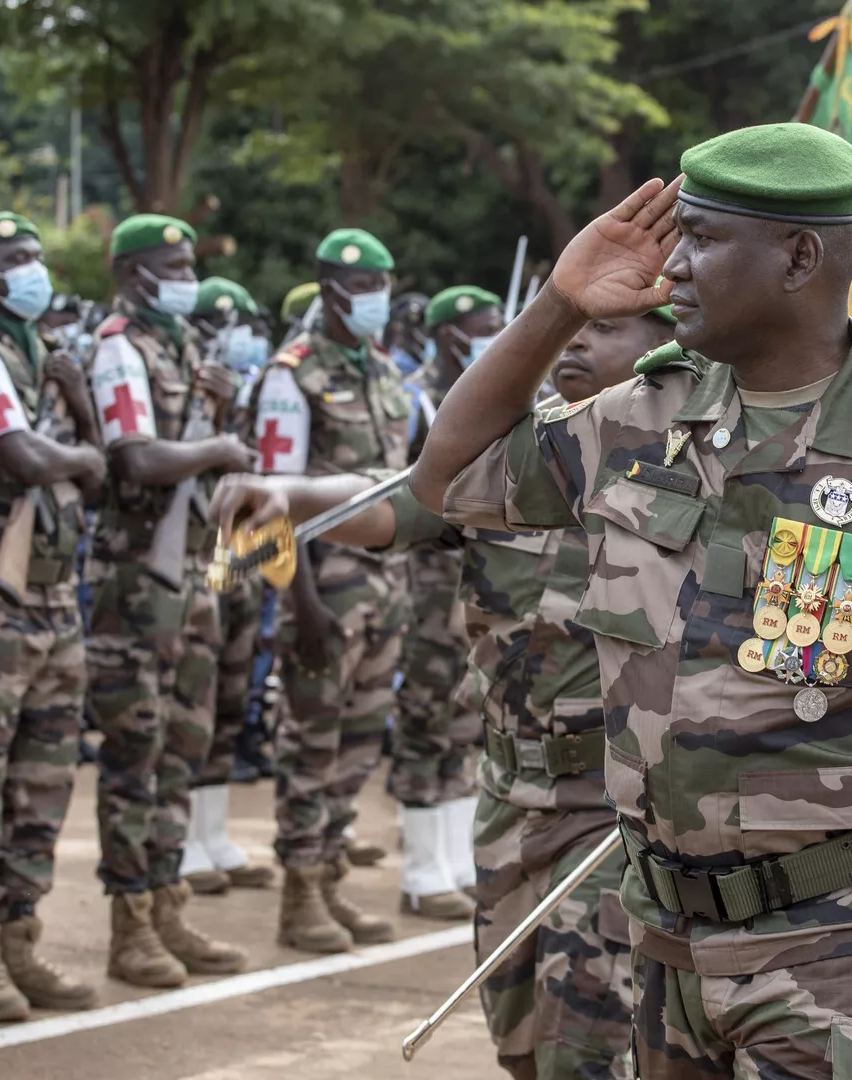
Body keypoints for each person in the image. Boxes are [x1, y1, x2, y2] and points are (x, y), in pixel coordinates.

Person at [411, 123, 852, 1080]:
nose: (671, 263)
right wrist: (558, 303)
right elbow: (447, 476)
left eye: (704, 239)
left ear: (801, 257)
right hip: (663, 940)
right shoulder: (640, 417)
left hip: (836, 948)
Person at [211, 303, 678, 1080]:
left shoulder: (685, 468)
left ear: (663, 345)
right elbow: (396, 505)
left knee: (586, 1045)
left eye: (607, 327)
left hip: (614, 801)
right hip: (507, 790)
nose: (578, 340)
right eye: (573, 324)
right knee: (520, 1040)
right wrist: (289, 495)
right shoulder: (515, 463)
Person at [0, 211, 110, 1020]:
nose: (34, 269)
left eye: (37, 255)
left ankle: (19, 943)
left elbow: (97, 475)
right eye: (16, 258)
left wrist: (76, 404)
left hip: (52, 599)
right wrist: (75, 454)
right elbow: (23, 458)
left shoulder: (47, 358)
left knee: (42, 782)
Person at [85, 214, 254, 987]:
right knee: (136, 751)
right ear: (132, 274)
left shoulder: (184, 347)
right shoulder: (120, 346)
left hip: (194, 575)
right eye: (172, 265)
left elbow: (205, 466)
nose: (186, 276)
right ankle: (130, 924)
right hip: (136, 585)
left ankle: (168, 902)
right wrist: (216, 445)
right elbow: (136, 459)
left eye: (190, 264)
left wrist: (220, 419)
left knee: (184, 745)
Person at [248, 227, 409, 954]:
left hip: (384, 589)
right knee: (310, 744)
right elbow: (264, 507)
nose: (378, 298)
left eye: (384, 284)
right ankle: (298, 893)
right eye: (366, 286)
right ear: (333, 288)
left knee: (357, 744)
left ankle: (331, 877)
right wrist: (298, 602)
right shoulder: (292, 375)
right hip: (323, 594)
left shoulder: (380, 369)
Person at [395, 283, 504, 919]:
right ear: (445, 334)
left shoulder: (499, 397)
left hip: (478, 576)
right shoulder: (416, 398)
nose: (493, 333)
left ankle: (456, 861)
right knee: (426, 716)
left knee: (467, 714)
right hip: (430, 580)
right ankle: (419, 868)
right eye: (480, 325)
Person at [180, 276, 274, 898]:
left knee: (229, 703)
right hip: (187, 566)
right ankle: (184, 841)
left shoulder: (248, 392)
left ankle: (212, 834)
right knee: (190, 704)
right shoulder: (184, 384)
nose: (240, 339)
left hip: (236, 565)